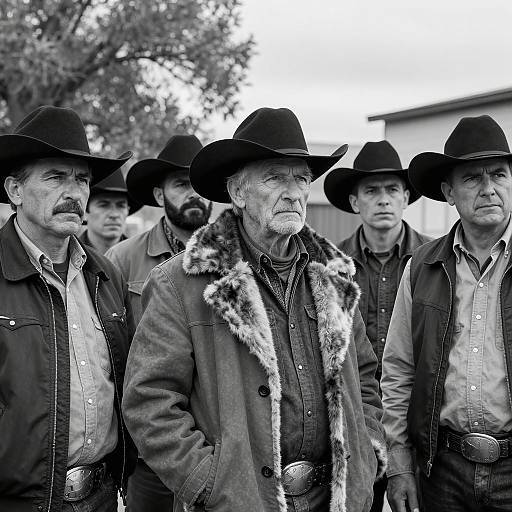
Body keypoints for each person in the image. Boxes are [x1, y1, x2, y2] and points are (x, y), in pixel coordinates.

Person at [122, 107, 387, 512]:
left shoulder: (334, 274)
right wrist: (211, 484)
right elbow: (149, 400)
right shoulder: (183, 280)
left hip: (333, 498)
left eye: (301, 178)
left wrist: (366, 456)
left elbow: (364, 378)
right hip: (240, 501)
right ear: (238, 193)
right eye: (275, 178)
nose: (294, 191)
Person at [0, 105, 137, 512]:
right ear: (15, 191)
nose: (74, 193)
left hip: (101, 495)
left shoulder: (104, 273)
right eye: (56, 177)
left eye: (82, 180)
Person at [381, 115, 512, 512]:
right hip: (442, 469)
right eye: (472, 178)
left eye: (499, 175)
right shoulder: (421, 267)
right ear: (448, 192)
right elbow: (399, 369)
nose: (489, 188)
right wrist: (399, 464)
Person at [105, 134, 210, 511]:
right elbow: (111, 353)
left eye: (199, 184)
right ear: (159, 193)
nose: (194, 194)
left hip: (218, 447)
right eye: (182, 185)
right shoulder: (121, 260)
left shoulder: (234, 260)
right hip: (150, 453)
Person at [324, 140, 429, 512]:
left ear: (405, 198)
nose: (383, 199)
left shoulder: (434, 262)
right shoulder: (329, 265)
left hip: (419, 427)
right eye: (372, 191)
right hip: (353, 423)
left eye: (392, 190)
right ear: (355, 202)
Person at [80, 168, 141, 254]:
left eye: (121, 206)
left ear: (127, 210)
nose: (114, 214)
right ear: (85, 211)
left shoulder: (139, 256)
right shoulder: (66, 256)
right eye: (104, 205)